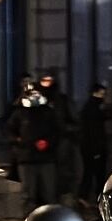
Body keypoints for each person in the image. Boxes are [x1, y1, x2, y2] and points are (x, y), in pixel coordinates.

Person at [7, 85, 61, 206]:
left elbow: (57, 132)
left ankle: (49, 220)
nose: (34, 96)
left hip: (46, 159)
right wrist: (18, 140)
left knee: (48, 194)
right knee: (28, 195)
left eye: (37, 93)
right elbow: (9, 130)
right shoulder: (19, 113)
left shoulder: (48, 112)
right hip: (26, 159)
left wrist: (47, 142)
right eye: (31, 93)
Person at [39, 70, 80, 200]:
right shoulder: (38, 100)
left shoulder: (62, 100)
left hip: (61, 143)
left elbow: (75, 122)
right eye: (43, 81)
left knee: (62, 175)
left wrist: (63, 129)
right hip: (42, 145)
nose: (46, 84)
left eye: (49, 81)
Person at [78, 84, 108, 205]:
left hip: (90, 147)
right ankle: (90, 197)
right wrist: (96, 150)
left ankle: (85, 196)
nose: (103, 96)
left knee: (90, 172)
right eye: (102, 93)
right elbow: (94, 131)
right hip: (94, 148)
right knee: (95, 173)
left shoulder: (91, 107)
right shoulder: (93, 109)